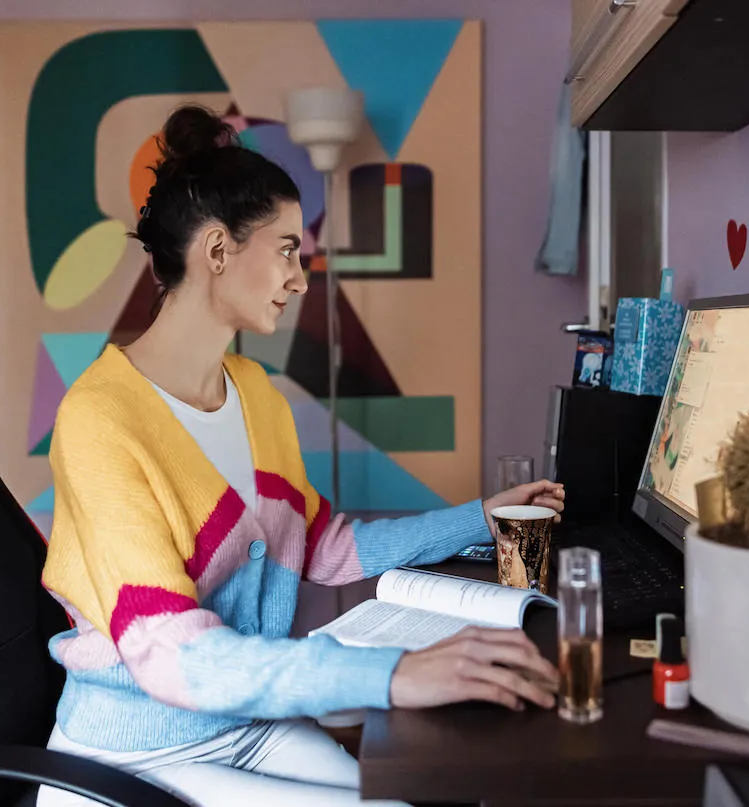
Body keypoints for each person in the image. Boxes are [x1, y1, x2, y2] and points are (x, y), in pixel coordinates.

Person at [36, 105, 565, 807]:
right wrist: (393, 672)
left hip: (246, 722)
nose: (300, 276)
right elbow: (170, 652)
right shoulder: (100, 418)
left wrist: (480, 518)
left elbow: (326, 547)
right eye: (288, 248)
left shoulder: (254, 393)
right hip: (137, 748)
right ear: (219, 251)